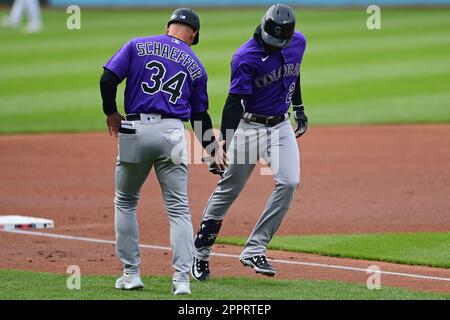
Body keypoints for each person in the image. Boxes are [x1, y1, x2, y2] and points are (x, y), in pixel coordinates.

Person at [99, 8, 224, 295]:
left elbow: (107, 79)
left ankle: (131, 274)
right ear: (193, 35)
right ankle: (181, 281)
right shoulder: (196, 64)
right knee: (179, 209)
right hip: (172, 133)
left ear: (168, 26)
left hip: (134, 130)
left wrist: (110, 113)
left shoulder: (137, 44)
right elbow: (199, 115)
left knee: (126, 202)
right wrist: (213, 148)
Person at [191, 3, 308, 281]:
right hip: (248, 127)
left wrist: (300, 108)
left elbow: (294, 72)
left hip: (280, 126)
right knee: (229, 189)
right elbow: (234, 103)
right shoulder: (245, 57)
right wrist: (221, 145)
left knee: (289, 182)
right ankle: (201, 253)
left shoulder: (298, 42)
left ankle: (255, 247)